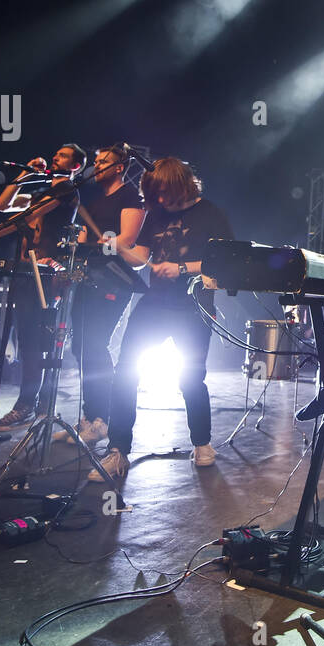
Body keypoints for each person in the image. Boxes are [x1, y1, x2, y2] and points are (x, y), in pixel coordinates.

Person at [90, 157, 233, 482]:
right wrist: (118, 249)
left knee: (191, 379)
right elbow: (141, 258)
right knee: (125, 372)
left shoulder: (212, 214)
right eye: (155, 195)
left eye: (164, 193)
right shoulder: (157, 214)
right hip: (154, 304)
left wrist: (182, 268)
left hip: (193, 306)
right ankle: (118, 450)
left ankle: (202, 443)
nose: (160, 201)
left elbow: (225, 262)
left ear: (182, 183)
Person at [0, 143, 86, 431]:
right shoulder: (41, 193)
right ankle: (33, 404)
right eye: (55, 153)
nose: (55, 156)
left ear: (75, 166)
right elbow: (1, 205)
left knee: (39, 340)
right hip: (24, 270)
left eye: (62, 155)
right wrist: (22, 174)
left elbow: (27, 217)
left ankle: (31, 404)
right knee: (27, 338)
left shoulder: (66, 191)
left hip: (46, 272)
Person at [64, 143, 146, 449]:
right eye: (95, 161)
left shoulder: (130, 196)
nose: (96, 166)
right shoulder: (95, 202)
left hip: (114, 280)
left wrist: (104, 245)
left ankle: (103, 419)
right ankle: (89, 416)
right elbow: (86, 239)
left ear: (119, 167)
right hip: (89, 278)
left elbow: (127, 239)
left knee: (96, 344)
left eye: (104, 162)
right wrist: (80, 247)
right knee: (81, 345)